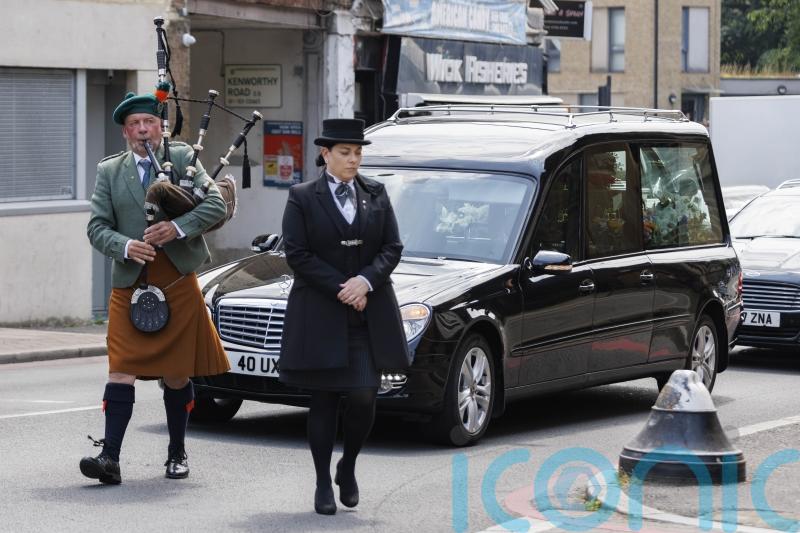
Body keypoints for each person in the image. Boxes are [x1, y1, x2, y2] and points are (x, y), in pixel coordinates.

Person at [81, 92, 230, 484]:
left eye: (148, 122)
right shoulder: (110, 172)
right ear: (126, 132)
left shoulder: (182, 159)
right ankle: (109, 457)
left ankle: (177, 452)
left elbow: (216, 204)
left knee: (177, 374)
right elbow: (96, 228)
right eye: (134, 125)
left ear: (161, 126)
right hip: (131, 282)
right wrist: (127, 246)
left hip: (177, 278)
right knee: (121, 369)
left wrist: (176, 228)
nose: (142, 130)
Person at [279, 118, 410, 515]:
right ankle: (322, 480)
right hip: (320, 313)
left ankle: (348, 465)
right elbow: (297, 254)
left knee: (364, 396)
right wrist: (343, 287)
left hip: (367, 313)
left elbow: (392, 246)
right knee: (323, 400)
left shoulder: (376, 192)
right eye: (345, 153)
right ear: (325, 154)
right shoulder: (302, 196)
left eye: (357, 153)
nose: (353, 160)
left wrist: (365, 282)